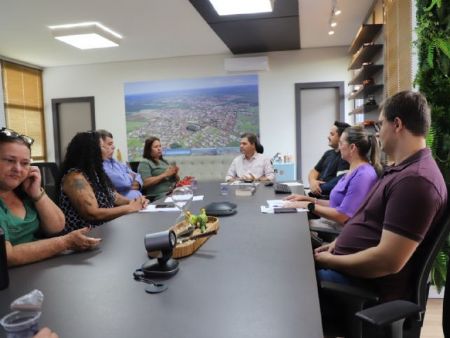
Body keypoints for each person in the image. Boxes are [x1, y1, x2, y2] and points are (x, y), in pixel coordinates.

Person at [315, 91, 447, 308]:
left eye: (380, 125)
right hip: (348, 272)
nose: (377, 134)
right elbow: (367, 221)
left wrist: (331, 260)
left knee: (287, 281)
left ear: (397, 125)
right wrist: (335, 245)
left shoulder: (416, 181)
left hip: (361, 289)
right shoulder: (400, 169)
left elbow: (387, 261)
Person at [0, 127, 100, 267]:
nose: (18, 169)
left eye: (25, 163)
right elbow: (7, 257)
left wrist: (37, 193)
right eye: (10, 160)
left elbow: (56, 226)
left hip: (38, 267)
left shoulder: (22, 191)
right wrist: (65, 242)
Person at [284, 125, 381, 228]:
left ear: (352, 147)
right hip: (331, 223)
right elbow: (335, 204)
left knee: (294, 226)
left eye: (341, 143)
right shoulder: (354, 171)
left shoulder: (363, 175)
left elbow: (343, 215)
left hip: (341, 231)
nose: (339, 147)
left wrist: (308, 205)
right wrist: (307, 199)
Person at [59, 131, 148, 233]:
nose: (107, 149)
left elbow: (114, 196)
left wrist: (135, 202)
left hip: (106, 230)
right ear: (90, 151)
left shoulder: (95, 173)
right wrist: (129, 208)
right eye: (102, 146)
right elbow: (93, 213)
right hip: (86, 236)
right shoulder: (75, 177)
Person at [308, 121, 351, 197]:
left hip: (325, 197)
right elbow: (314, 171)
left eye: (332, 134)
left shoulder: (344, 157)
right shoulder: (328, 153)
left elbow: (337, 183)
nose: (328, 137)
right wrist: (313, 181)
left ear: (341, 137)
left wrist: (316, 187)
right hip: (317, 194)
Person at [98, 129, 143, 199]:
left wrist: (128, 180)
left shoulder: (116, 162)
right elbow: (123, 183)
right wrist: (130, 177)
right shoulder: (100, 166)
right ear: (99, 147)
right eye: (109, 144)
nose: (113, 147)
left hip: (140, 203)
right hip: (124, 207)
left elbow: (138, 176)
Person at [137, 136, 179, 201]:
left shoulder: (165, 162)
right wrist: (165, 174)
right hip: (159, 196)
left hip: (173, 192)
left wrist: (174, 173)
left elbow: (176, 180)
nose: (159, 149)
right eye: (156, 147)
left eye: (160, 146)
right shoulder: (145, 162)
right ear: (149, 150)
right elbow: (145, 183)